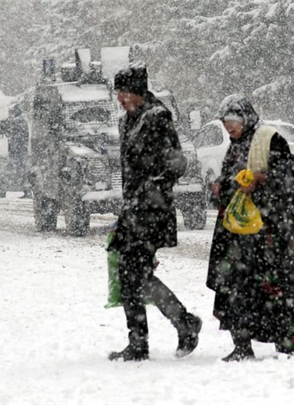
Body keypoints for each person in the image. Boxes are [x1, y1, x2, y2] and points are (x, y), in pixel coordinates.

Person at [206, 94, 294, 361]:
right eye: (225, 122)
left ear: (245, 117)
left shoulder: (268, 138)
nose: (228, 127)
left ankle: (289, 339)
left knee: (282, 286)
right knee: (236, 285)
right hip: (238, 233)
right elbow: (233, 176)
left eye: (232, 120)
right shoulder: (236, 145)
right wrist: (222, 185)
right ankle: (242, 345)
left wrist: (260, 179)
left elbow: (290, 173)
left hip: (267, 231)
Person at [107, 62, 202, 362]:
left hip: (152, 210)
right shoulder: (127, 122)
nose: (119, 99)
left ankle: (164, 331)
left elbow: (178, 163)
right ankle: (154, 335)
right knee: (132, 275)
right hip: (132, 210)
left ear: (137, 91)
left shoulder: (157, 117)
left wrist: (154, 188)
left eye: (123, 93)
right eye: (117, 94)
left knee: (135, 274)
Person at [0, 104, 31, 199]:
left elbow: (7, 125)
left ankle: (2, 191)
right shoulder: (19, 121)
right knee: (20, 171)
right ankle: (25, 191)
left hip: (18, 151)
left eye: (12, 112)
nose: (10, 114)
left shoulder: (19, 121)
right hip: (17, 150)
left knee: (12, 171)